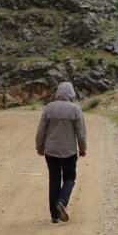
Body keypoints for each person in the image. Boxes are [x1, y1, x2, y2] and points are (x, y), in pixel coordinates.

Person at [35, 81, 87, 223]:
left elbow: (41, 130)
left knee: (54, 179)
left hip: (51, 151)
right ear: (72, 93)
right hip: (69, 151)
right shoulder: (76, 109)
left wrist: (39, 146)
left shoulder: (48, 108)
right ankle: (62, 201)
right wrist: (83, 148)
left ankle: (54, 215)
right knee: (70, 178)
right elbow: (81, 133)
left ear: (58, 93)